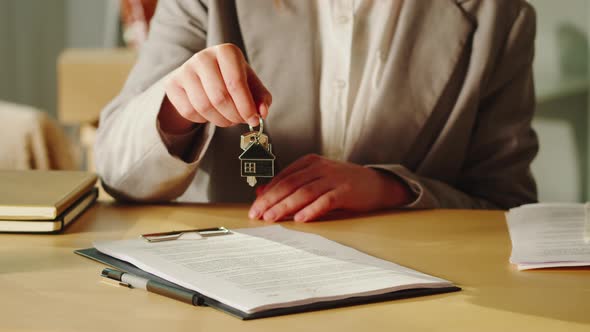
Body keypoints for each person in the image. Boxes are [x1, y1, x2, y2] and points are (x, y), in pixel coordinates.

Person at [95, 0, 539, 222]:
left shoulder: (500, 16)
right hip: (222, 293)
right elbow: (117, 171)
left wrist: (392, 191)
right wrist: (176, 109)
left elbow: (506, 209)